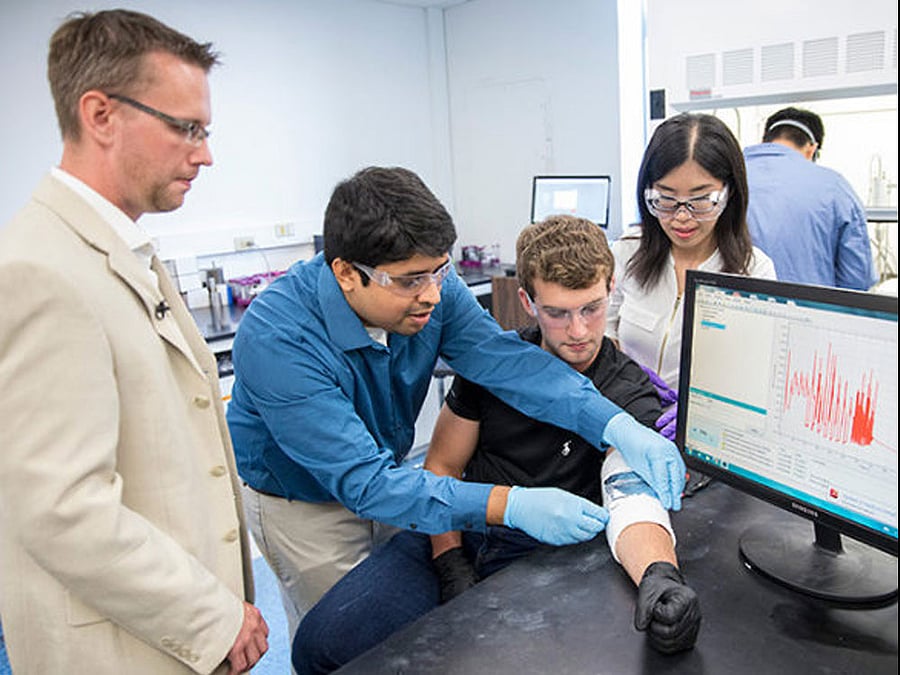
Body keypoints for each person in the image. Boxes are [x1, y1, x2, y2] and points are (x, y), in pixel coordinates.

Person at [226, 166, 686, 640]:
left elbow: (509, 363)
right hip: (307, 500)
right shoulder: (278, 339)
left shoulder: (432, 288)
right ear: (345, 273)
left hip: (393, 477)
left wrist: (614, 425)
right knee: (344, 641)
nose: (431, 295)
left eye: (438, 272)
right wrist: (511, 505)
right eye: (409, 281)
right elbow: (365, 483)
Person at [0, 10, 268, 674]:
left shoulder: (120, 246)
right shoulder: (39, 270)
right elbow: (65, 509)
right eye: (187, 128)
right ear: (100, 115)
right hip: (119, 649)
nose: (204, 153)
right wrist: (211, 615)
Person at [607, 113, 777, 439]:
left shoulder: (753, 271)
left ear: (730, 193)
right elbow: (605, 333)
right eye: (666, 199)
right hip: (627, 421)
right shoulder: (627, 252)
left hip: (710, 437)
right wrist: (625, 379)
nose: (682, 218)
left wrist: (699, 410)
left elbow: (757, 381)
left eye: (701, 200)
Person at [743, 106, 876, 290]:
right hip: (808, 312)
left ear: (766, 141)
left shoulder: (726, 176)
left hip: (727, 308)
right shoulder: (834, 186)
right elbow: (857, 279)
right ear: (812, 149)